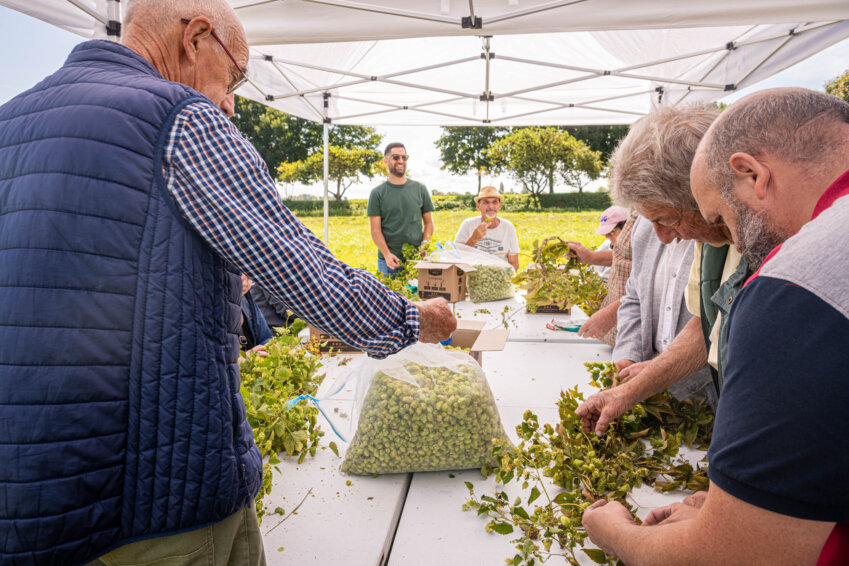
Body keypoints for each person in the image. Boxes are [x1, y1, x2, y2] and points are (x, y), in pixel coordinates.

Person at [0, 1, 456, 564]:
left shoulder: (9, 120)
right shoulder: (181, 118)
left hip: (27, 506)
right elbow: (296, 267)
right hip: (155, 507)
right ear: (195, 38)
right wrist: (411, 319)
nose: (233, 100)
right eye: (235, 74)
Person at [582, 88, 849, 566]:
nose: (739, 242)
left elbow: (735, 557)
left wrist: (617, 534)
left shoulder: (796, 286)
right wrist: (751, 505)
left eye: (720, 217)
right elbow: (711, 320)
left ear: (751, 174)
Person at [576, 106, 750, 435]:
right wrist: (629, 375)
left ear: (700, 189)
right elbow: (702, 322)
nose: (664, 236)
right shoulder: (707, 240)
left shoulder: (747, 238)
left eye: (666, 219)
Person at [568, 205, 636, 346]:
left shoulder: (638, 242)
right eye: (605, 233)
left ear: (628, 227)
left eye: (612, 231)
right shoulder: (611, 244)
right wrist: (587, 257)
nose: (608, 236)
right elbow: (616, 256)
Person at [367, 143, 435, 277]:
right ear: (386, 161)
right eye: (396, 157)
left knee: (418, 297)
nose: (401, 161)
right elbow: (375, 230)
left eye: (404, 157)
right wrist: (386, 254)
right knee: (388, 298)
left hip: (416, 260)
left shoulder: (420, 189)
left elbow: (429, 223)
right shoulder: (377, 193)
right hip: (389, 262)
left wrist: (424, 244)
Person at [454, 185, 520, 270]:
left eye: (495, 202)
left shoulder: (508, 227)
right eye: (486, 202)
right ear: (478, 206)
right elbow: (457, 257)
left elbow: (514, 263)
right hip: (472, 276)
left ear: (499, 206)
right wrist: (473, 239)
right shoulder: (468, 224)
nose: (491, 206)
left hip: (499, 276)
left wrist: (503, 279)